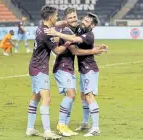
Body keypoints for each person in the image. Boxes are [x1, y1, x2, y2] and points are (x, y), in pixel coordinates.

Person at [45, 12, 106, 137]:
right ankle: (84, 123)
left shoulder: (89, 35)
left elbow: (75, 43)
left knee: (89, 96)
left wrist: (57, 33)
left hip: (90, 69)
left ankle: (96, 127)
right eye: (83, 20)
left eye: (87, 22)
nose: (83, 22)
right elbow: (80, 40)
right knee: (83, 97)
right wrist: (97, 48)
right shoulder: (80, 29)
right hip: (83, 70)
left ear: (93, 26)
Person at [26, 5, 72, 140]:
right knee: (47, 98)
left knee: (36, 97)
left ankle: (30, 128)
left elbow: (54, 24)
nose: (57, 17)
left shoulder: (41, 27)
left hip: (33, 66)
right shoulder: (46, 33)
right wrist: (68, 42)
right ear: (50, 17)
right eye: (56, 15)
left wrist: (63, 23)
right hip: (40, 68)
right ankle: (47, 131)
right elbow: (57, 51)